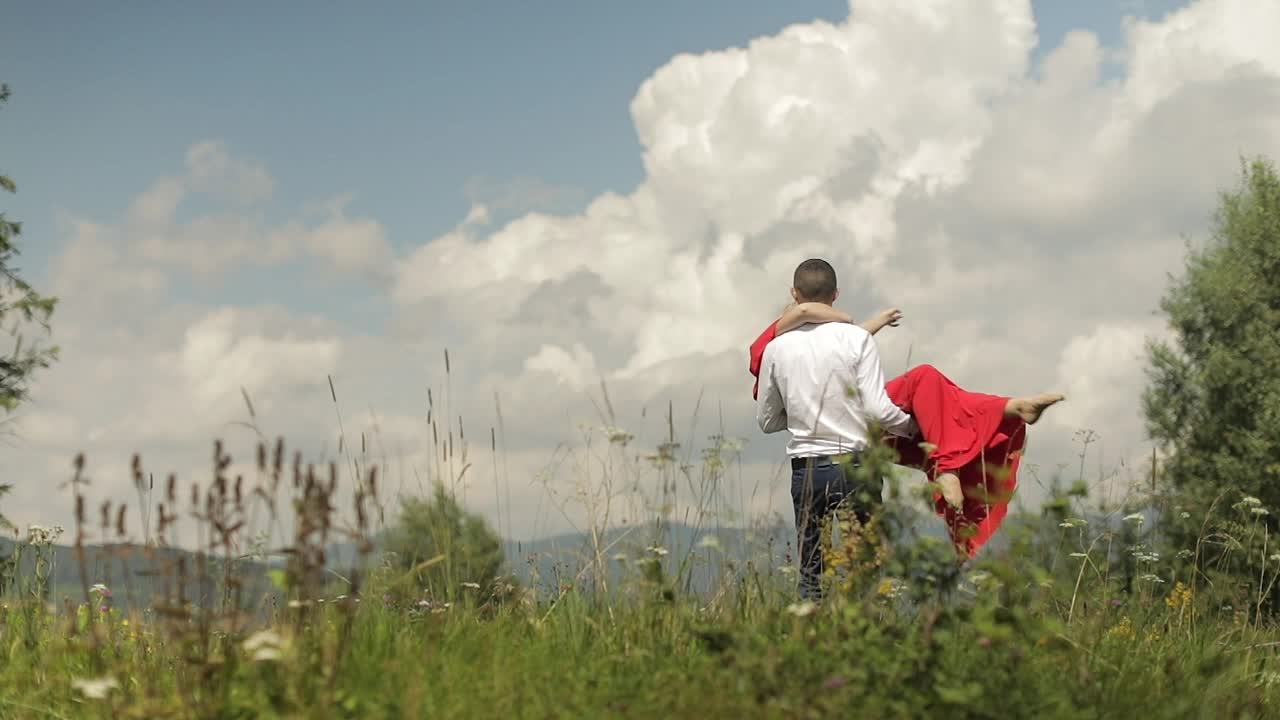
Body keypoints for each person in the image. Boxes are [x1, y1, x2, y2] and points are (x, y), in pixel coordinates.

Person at [750, 285, 1064, 560]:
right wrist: (913, 427)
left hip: (837, 438)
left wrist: (875, 324)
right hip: (856, 426)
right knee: (928, 390)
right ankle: (947, 465)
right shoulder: (776, 345)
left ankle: (1011, 408)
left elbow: (837, 343)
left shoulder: (811, 345)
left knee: (934, 389)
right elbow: (807, 312)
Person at [756, 259, 920, 600]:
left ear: (794, 294)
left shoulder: (775, 348)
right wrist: (913, 428)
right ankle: (864, 637)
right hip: (856, 466)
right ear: (836, 294)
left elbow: (767, 421)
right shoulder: (857, 339)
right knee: (866, 567)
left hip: (806, 470)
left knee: (810, 575)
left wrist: (803, 413)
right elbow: (878, 409)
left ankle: (809, 637)